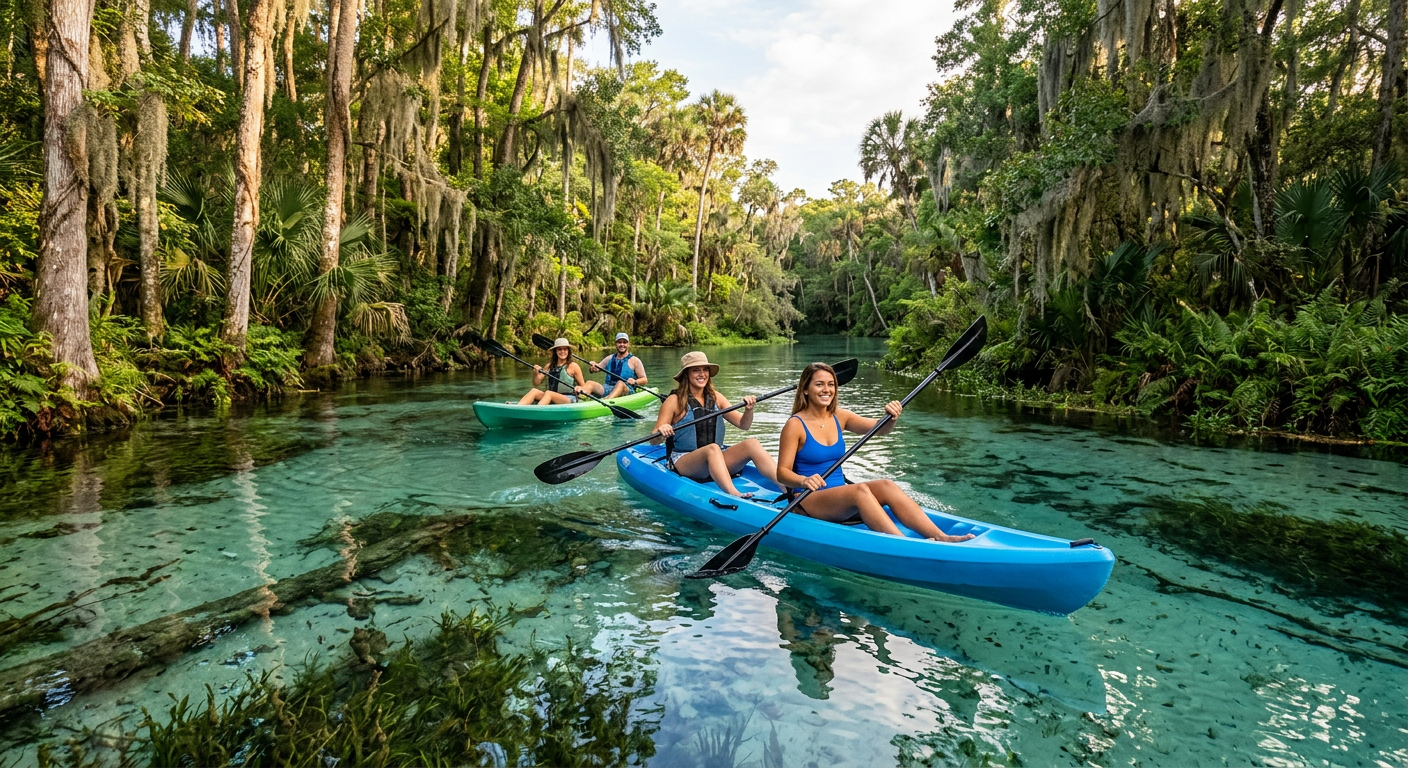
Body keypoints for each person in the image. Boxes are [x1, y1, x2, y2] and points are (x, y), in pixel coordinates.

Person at [775, 362, 975, 542]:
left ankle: (941, 536)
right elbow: (782, 472)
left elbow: (880, 428)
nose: (827, 390)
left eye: (831, 384)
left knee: (886, 485)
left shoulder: (839, 416)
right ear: (806, 389)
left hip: (839, 495)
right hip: (810, 499)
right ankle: (903, 545)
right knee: (859, 491)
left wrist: (891, 417)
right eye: (819, 384)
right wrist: (804, 480)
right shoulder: (795, 425)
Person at [654, 351, 778, 498]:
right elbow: (653, 440)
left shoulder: (716, 397)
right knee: (712, 449)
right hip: (684, 461)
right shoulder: (673, 400)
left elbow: (743, 424)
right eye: (696, 370)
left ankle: (788, 488)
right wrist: (662, 431)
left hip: (715, 458)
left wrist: (749, 410)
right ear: (686, 374)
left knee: (752, 444)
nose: (702, 374)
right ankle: (734, 494)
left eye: (705, 369)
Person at [517, 338, 587, 405]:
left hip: (568, 398)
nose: (562, 351)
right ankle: (518, 408)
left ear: (568, 351)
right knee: (534, 391)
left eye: (565, 349)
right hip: (551, 397)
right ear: (555, 351)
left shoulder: (573, 366)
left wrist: (579, 388)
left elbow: (583, 387)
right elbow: (536, 383)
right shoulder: (549, 366)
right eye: (559, 349)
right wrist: (535, 372)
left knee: (549, 393)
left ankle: (537, 412)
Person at [585, 332, 648, 399]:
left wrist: (635, 381)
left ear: (628, 344)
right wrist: (592, 367)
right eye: (619, 342)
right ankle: (577, 399)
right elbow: (596, 369)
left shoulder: (635, 361)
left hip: (626, 390)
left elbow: (644, 380)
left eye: (624, 342)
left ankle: (606, 401)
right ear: (615, 344)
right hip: (607, 388)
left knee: (620, 383)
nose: (622, 344)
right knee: (589, 383)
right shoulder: (609, 358)